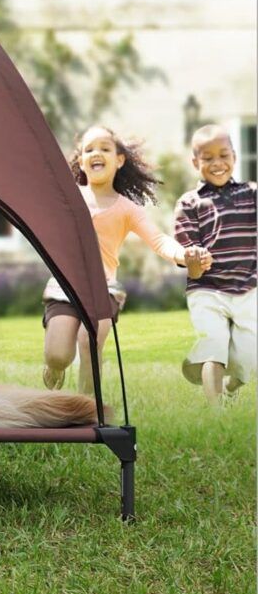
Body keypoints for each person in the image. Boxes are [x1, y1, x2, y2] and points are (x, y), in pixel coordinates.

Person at [41, 125, 209, 394]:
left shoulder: (127, 208)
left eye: (105, 148)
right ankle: (55, 366)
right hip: (63, 285)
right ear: (81, 161)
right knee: (58, 355)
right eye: (89, 149)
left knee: (90, 341)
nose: (97, 153)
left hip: (103, 287)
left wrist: (184, 255)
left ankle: (85, 410)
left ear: (119, 160)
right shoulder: (68, 198)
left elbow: (159, 240)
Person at [174, 124, 257, 406]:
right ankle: (216, 412)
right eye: (207, 158)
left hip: (248, 286)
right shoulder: (189, 202)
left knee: (247, 357)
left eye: (224, 155)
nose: (217, 163)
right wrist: (195, 260)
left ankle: (233, 385)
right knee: (215, 344)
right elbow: (190, 263)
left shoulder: (252, 194)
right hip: (207, 288)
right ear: (195, 162)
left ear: (235, 156)